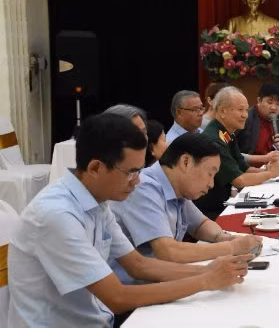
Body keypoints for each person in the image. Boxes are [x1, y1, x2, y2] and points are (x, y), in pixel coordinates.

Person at [6, 113, 251, 328]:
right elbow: (117, 297)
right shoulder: (57, 214)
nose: (138, 180)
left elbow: (138, 264)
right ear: (95, 168)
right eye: (131, 172)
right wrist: (205, 280)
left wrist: (208, 271)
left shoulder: (98, 201)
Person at [112, 132, 263, 284]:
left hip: (164, 281)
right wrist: (232, 247)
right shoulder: (144, 188)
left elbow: (200, 224)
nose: (211, 184)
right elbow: (169, 252)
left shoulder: (177, 187)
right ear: (185, 162)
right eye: (210, 174)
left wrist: (223, 237)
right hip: (136, 294)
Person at [194, 86, 279, 219]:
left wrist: (272, 169)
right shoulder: (215, 140)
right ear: (222, 111)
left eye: (246, 109)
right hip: (209, 212)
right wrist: (271, 173)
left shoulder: (226, 133)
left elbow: (244, 168)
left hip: (222, 204)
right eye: (240, 110)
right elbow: (240, 180)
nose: (245, 115)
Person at [236, 82, 279, 158]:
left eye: (278, 104)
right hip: (250, 163)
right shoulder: (246, 116)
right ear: (259, 100)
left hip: (274, 162)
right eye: (269, 102)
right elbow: (230, 143)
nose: (273, 108)